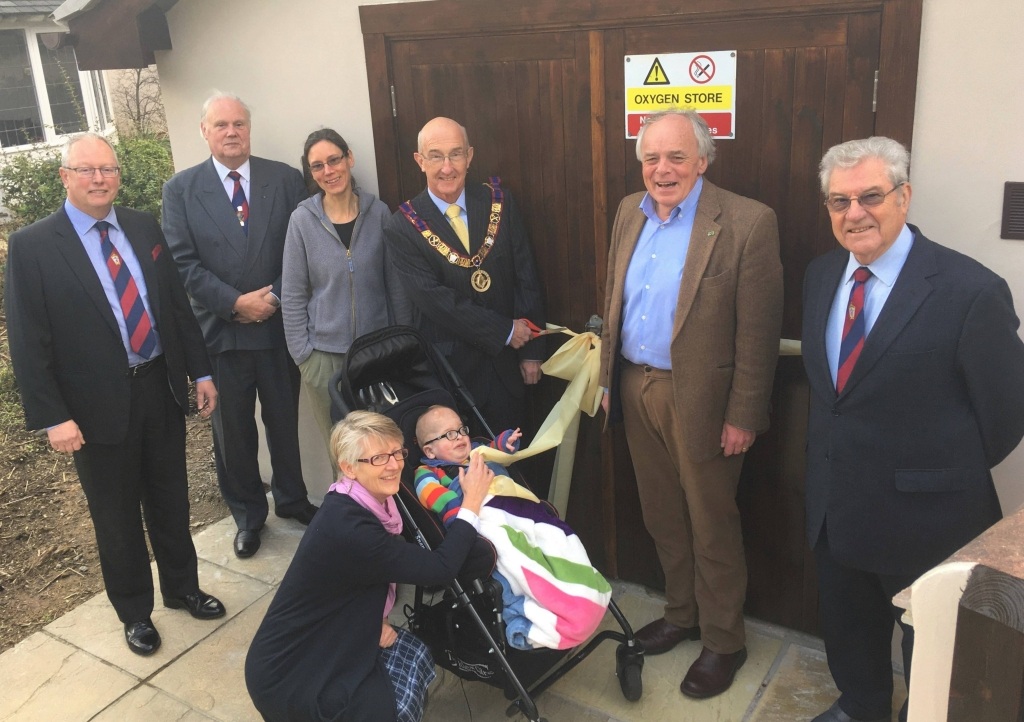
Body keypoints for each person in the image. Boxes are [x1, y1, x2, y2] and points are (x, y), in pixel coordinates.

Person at [803, 136, 1024, 722]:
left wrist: (930, 474)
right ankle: (862, 706)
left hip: (930, 519)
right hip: (838, 507)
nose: (854, 214)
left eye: (870, 196)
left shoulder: (971, 291)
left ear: (904, 196)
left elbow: (1006, 418)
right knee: (849, 626)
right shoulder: (821, 276)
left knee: (930, 649)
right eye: (839, 201)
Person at [4, 133, 226, 656]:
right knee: (117, 515)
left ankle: (183, 588)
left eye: (107, 169)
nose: (99, 179)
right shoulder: (34, 246)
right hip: (92, 409)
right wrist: (54, 417)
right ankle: (135, 612)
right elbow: (26, 339)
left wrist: (201, 372)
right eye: (86, 170)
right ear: (65, 176)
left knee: (171, 500)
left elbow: (174, 305)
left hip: (158, 388)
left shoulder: (142, 225)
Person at [598, 109, 784, 698]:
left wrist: (744, 413)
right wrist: (607, 379)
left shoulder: (748, 222)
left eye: (677, 156)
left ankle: (724, 640)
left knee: (711, 523)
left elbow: (759, 330)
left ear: (703, 160)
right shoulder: (630, 211)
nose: (662, 169)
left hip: (703, 400)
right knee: (661, 514)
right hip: (636, 384)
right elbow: (614, 298)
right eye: (651, 157)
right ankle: (681, 614)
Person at [244, 410, 492, 722]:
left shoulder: (367, 502)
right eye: (377, 458)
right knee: (387, 706)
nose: (393, 465)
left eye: (396, 452)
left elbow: (343, 587)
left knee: (414, 653)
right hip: (291, 676)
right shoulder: (352, 528)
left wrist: (372, 622)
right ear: (348, 467)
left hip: (321, 636)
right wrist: (471, 503)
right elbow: (440, 569)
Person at [162, 93, 317, 560]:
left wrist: (270, 296)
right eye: (221, 125)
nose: (232, 132)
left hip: (275, 326)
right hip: (221, 334)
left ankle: (291, 499)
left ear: (250, 128)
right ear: (205, 131)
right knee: (233, 434)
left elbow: (304, 245)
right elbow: (181, 263)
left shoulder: (285, 180)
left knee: (284, 422)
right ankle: (249, 516)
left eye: (239, 124)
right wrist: (233, 303)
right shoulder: (181, 190)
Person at [384, 117, 546, 434]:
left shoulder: (500, 203)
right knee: (460, 474)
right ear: (420, 161)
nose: (447, 167)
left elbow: (526, 277)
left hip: (507, 367)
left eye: (456, 154)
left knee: (515, 468)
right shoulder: (402, 226)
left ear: (469, 156)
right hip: (449, 376)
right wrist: (503, 330)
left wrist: (533, 352)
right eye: (436, 156)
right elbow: (434, 300)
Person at [413, 404, 612, 651]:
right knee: (515, 563)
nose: (460, 437)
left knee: (555, 542)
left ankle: (580, 588)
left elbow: (497, 450)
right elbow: (436, 499)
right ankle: (533, 617)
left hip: (521, 512)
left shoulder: (477, 451)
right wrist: (462, 516)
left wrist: (506, 442)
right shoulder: (428, 473)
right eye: (449, 434)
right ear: (429, 451)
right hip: (484, 519)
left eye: (461, 430)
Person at [282, 128, 411, 453]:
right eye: (318, 166)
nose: (328, 171)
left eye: (334, 160)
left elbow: (395, 285)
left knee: (386, 448)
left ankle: (391, 507)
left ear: (349, 158)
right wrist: (304, 358)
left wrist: (400, 343)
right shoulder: (302, 221)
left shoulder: (378, 213)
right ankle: (351, 506)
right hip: (325, 360)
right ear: (311, 173)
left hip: (376, 355)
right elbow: (293, 293)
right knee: (344, 455)